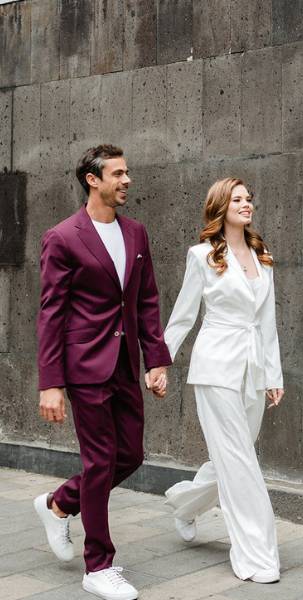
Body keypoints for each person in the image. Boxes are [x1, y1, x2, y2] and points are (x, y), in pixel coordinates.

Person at [35, 144, 172, 600]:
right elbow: (51, 314)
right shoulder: (63, 236)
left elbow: (146, 300)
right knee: (99, 461)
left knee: (129, 455)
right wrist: (51, 382)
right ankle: (99, 565)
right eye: (118, 173)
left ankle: (60, 504)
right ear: (93, 179)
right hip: (83, 367)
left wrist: (156, 359)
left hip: (125, 364)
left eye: (127, 172)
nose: (127, 179)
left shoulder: (136, 233)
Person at [162, 177, 284, 584]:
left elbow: (266, 322)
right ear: (220, 206)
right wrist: (160, 361)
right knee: (240, 463)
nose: (247, 204)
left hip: (252, 369)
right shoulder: (201, 256)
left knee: (232, 457)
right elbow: (183, 315)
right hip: (215, 368)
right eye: (237, 199)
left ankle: (184, 505)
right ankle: (257, 553)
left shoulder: (261, 255)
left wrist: (273, 374)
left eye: (249, 198)